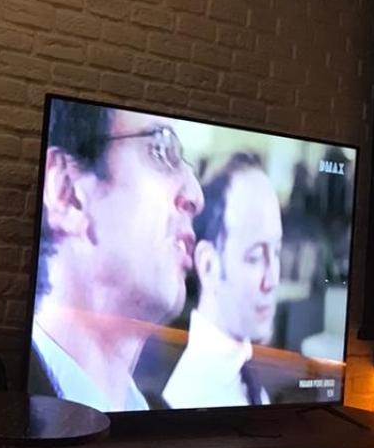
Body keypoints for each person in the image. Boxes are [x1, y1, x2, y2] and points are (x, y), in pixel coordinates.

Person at [30, 100, 204, 411]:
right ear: (66, 191)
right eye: (160, 149)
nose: (195, 196)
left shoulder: (163, 420)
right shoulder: (9, 405)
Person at [162, 153, 282, 409]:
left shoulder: (245, 373)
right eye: (254, 257)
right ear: (208, 265)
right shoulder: (188, 400)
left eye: (277, 251)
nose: (272, 280)